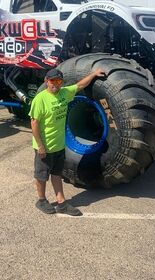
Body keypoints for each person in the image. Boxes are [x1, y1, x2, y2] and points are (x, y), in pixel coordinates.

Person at [29, 67, 106, 216]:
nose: (56, 84)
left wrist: (94, 74)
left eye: (59, 81)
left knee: (57, 174)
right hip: (44, 147)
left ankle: (62, 203)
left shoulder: (64, 93)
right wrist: (40, 146)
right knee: (41, 175)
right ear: (46, 81)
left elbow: (80, 85)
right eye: (53, 81)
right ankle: (41, 200)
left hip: (58, 145)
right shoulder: (40, 99)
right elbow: (34, 124)